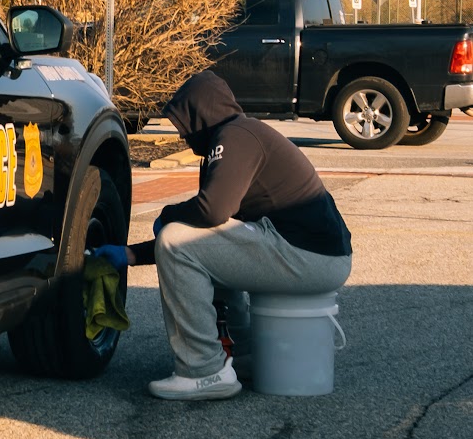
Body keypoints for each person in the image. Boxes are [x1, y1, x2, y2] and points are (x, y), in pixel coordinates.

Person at [126, 69, 353, 401]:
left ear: (200, 114)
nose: (184, 139)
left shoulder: (236, 137)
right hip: (315, 254)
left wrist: (167, 216)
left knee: (177, 239)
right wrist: (131, 254)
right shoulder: (242, 134)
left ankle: (203, 370)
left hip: (311, 258)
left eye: (185, 126)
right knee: (202, 243)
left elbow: (211, 212)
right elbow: (213, 230)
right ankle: (244, 356)